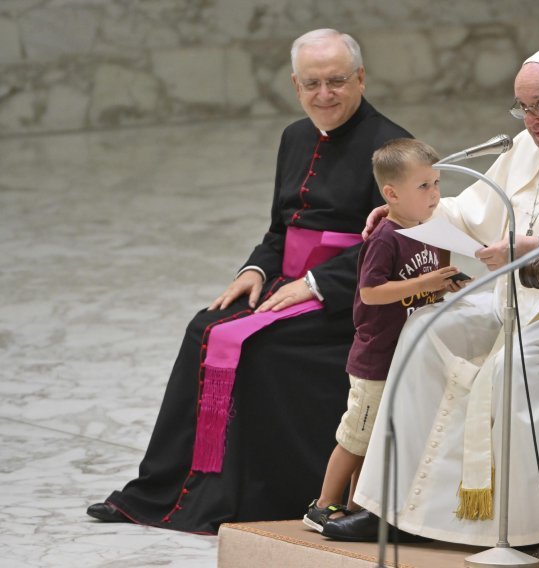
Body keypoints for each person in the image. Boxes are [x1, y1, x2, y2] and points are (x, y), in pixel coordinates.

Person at [321, 47, 539, 546]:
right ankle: (386, 508)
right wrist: (411, 217)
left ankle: (518, 524)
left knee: (514, 366)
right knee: (425, 329)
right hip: (526, 294)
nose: (530, 122)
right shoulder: (531, 146)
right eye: (521, 108)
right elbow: (473, 210)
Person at [85, 28, 411, 534]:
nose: (324, 95)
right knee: (203, 328)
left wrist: (317, 283)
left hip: (350, 299)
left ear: (361, 79)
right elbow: (281, 228)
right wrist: (254, 270)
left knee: (258, 348)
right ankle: (164, 491)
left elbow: (397, 246)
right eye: (312, 84)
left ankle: (245, 495)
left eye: (336, 82)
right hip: (286, 279)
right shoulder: (294, 136)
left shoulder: (392, 148)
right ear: (295, 85)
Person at [303, 138, 466, 532]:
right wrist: (426, 281)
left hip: (405, 354)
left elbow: (424, 284)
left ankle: (361, 506)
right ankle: (323, 505)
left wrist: (447, 283)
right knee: (356, 435)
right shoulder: (385, 238)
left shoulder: (429, 230)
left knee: (377, 439)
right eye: (423, 186)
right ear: (391, 194)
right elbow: (370, 293)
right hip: (376, 356)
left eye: (437, 183)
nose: (435, 194)